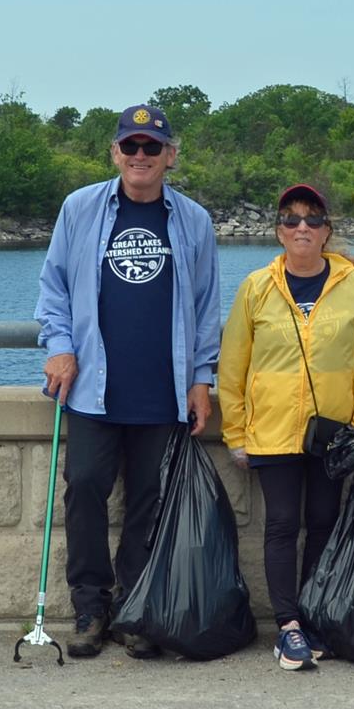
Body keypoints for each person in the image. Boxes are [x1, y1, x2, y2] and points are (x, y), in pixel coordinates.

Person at [35, 103, 222, 661]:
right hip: (91, 388)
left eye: (152, 147)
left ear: (170, 156)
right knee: (86, 489)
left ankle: (137, 608)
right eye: (131, 146)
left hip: (161, 391)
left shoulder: (194, 220)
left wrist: (201, 378)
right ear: (116, 152)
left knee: (149, 501)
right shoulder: (80, 208)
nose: (140, 156)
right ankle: (91, 608)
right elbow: (54, 289)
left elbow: (208, 306)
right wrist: (60, 347)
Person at [218, 183, 354, 671]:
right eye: (292, 219)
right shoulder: (255, 288)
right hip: (272, 430)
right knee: (281, 524)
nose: (302, 227)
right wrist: (236, 434)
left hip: (333, 433)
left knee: (323, 522)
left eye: (313, 219)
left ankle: (315, 615)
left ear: (327, 231)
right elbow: (231, 369)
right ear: (279, 230)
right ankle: (288, 626)